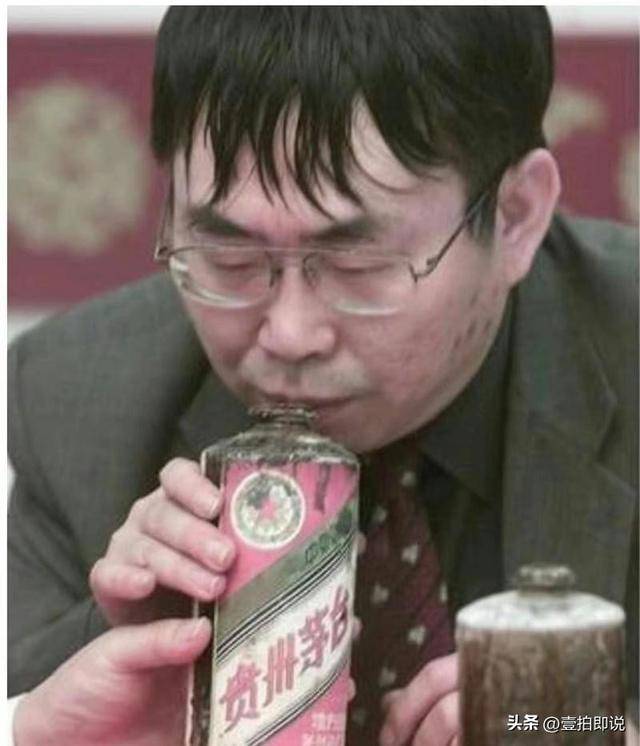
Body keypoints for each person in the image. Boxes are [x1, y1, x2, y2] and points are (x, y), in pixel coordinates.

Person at [8, 7, 638, 745]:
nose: (289, 334)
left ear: (516, 217)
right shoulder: (76, 399)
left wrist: (580, 725)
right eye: (231, 259)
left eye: (357, 265)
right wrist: (121, 651)